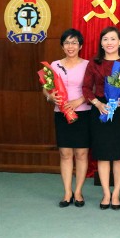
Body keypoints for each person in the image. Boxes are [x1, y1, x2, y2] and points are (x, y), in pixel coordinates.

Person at [82, 26, 120, 211]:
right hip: (101, 110)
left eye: (113, 39)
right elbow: (85, 88)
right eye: (106, 39)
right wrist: (98, 104)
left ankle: (116, 194)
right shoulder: (94, 63)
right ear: (101, 42)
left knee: (119, 154)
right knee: (103, 154)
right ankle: (106, 193)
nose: (109, 43)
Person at [43, 28, 91, 208]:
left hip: (83, 112)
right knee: (65, 153)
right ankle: (67, 192)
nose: (70, 46)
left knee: (81, 153)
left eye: (74, 43)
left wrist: (79, 101)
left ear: (80, 46)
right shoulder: (54, 65)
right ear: (62, 46)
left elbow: (93, 89)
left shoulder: (88, 64)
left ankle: (78, 191)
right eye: (67, 43)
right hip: (61, 112)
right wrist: (50, 96)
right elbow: (46, 87)